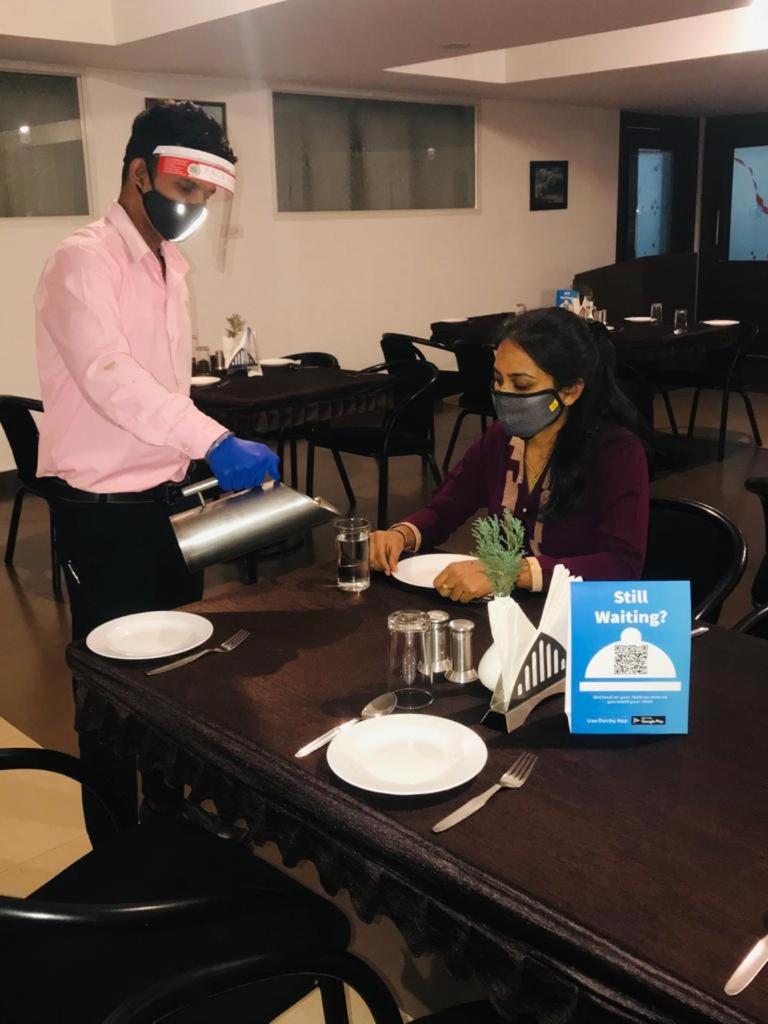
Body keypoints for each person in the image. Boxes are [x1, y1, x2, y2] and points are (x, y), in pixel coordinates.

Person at [35, 100, 279, 831]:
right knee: (111, 689)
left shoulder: (171, 265)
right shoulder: (82, 261)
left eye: (204, 196)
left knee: (178, 670)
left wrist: (198, 446)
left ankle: (173, 825)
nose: (193, 207)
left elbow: (164, 387)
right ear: (138, 173)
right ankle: (115, 849)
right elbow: (110, 378)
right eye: (183, 189)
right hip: (103, 517)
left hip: (170, 504)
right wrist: (214, 440)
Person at [370, 307, 649, 601]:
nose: (504, 394)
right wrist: (401, 535)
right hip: (507, 609)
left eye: (522, 384)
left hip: (577, 613)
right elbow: (448, 505)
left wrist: (511, 571)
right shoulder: (502, 439)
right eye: (498, 380)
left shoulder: (617, 453)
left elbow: (621, 566)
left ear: (569, 391)